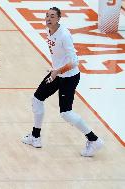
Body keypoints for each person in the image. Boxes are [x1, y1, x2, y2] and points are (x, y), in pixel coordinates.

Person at [22, 7, 103, 157]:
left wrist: (57, 71)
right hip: (58, 74)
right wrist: (56, 70)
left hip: (69, 77)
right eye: (46, 16)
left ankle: (94, 140)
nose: (48, 19)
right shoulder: (49, 30)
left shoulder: (64, 35)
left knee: (66, 113)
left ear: (59, 18)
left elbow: (74, 61)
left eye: (52, 16)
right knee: (37, 99)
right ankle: (36, 137)